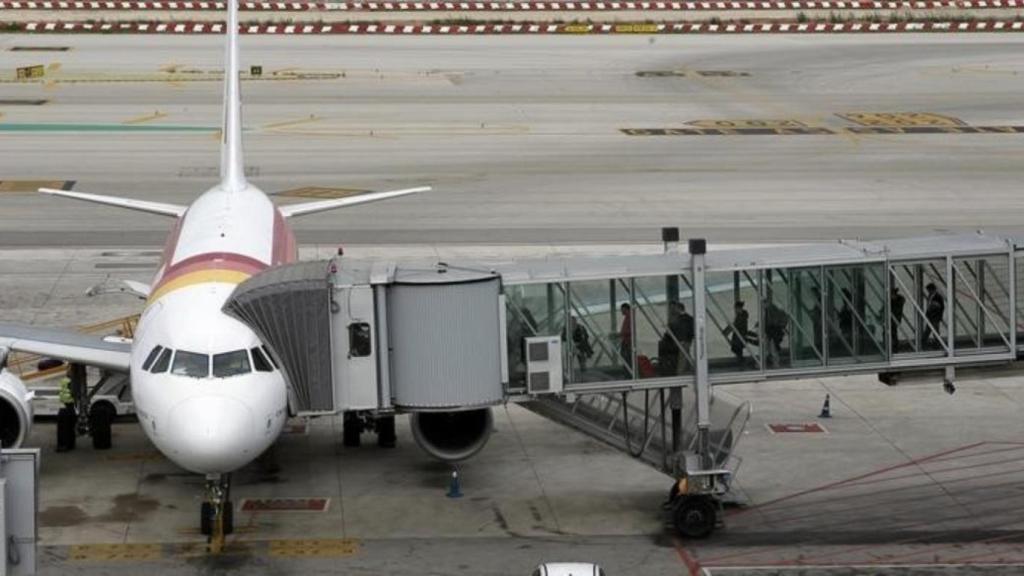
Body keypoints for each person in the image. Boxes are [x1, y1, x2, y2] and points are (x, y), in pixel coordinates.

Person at [764, 293, 788, 368]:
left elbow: (772, 322)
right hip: (773, 332)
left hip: (773, 332)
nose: (763, 306)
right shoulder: (770, 310)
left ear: (767, 303)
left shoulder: (771, 310)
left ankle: (776, 363)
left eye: (764, 304)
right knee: (770, 348)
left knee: (772, 348)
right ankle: (773, 363)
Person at [56, 371, 76, 452]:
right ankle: (70, 444)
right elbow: (74, 393)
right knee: (70, 427)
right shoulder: (72, 382)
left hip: (64, 405)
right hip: (70, 405)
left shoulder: (63, 380)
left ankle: (64, 445)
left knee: (63, 427)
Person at [925, 282, 945, 348]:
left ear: (932, 289)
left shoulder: (938, 297)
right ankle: (926, 343)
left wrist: (940, 316)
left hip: (935, 316)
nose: (928, 291)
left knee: (934, 330)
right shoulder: (930, 296)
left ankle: (937, 344)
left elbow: (941, 307)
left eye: (929, 290)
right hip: (931, 316)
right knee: (930, 330)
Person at [890, 287, 906, 352]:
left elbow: (896, 310)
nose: (891, 296)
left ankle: (895, 347)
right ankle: (893, 346)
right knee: (892, 332)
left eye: (892, 295)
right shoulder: (893, 300)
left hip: (895, 318)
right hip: (893, 318)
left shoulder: (898, 301)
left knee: (893, 332)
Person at [619, 303, 633, 367]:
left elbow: (630, 330)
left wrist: (621, 333)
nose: (621, 311)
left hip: (627, 341)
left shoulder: (630, 317)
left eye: (622, 309)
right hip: (626, 340)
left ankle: (628, 369)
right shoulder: (628, 317)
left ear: (625, 309)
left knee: (626, 357)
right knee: (625, 356)